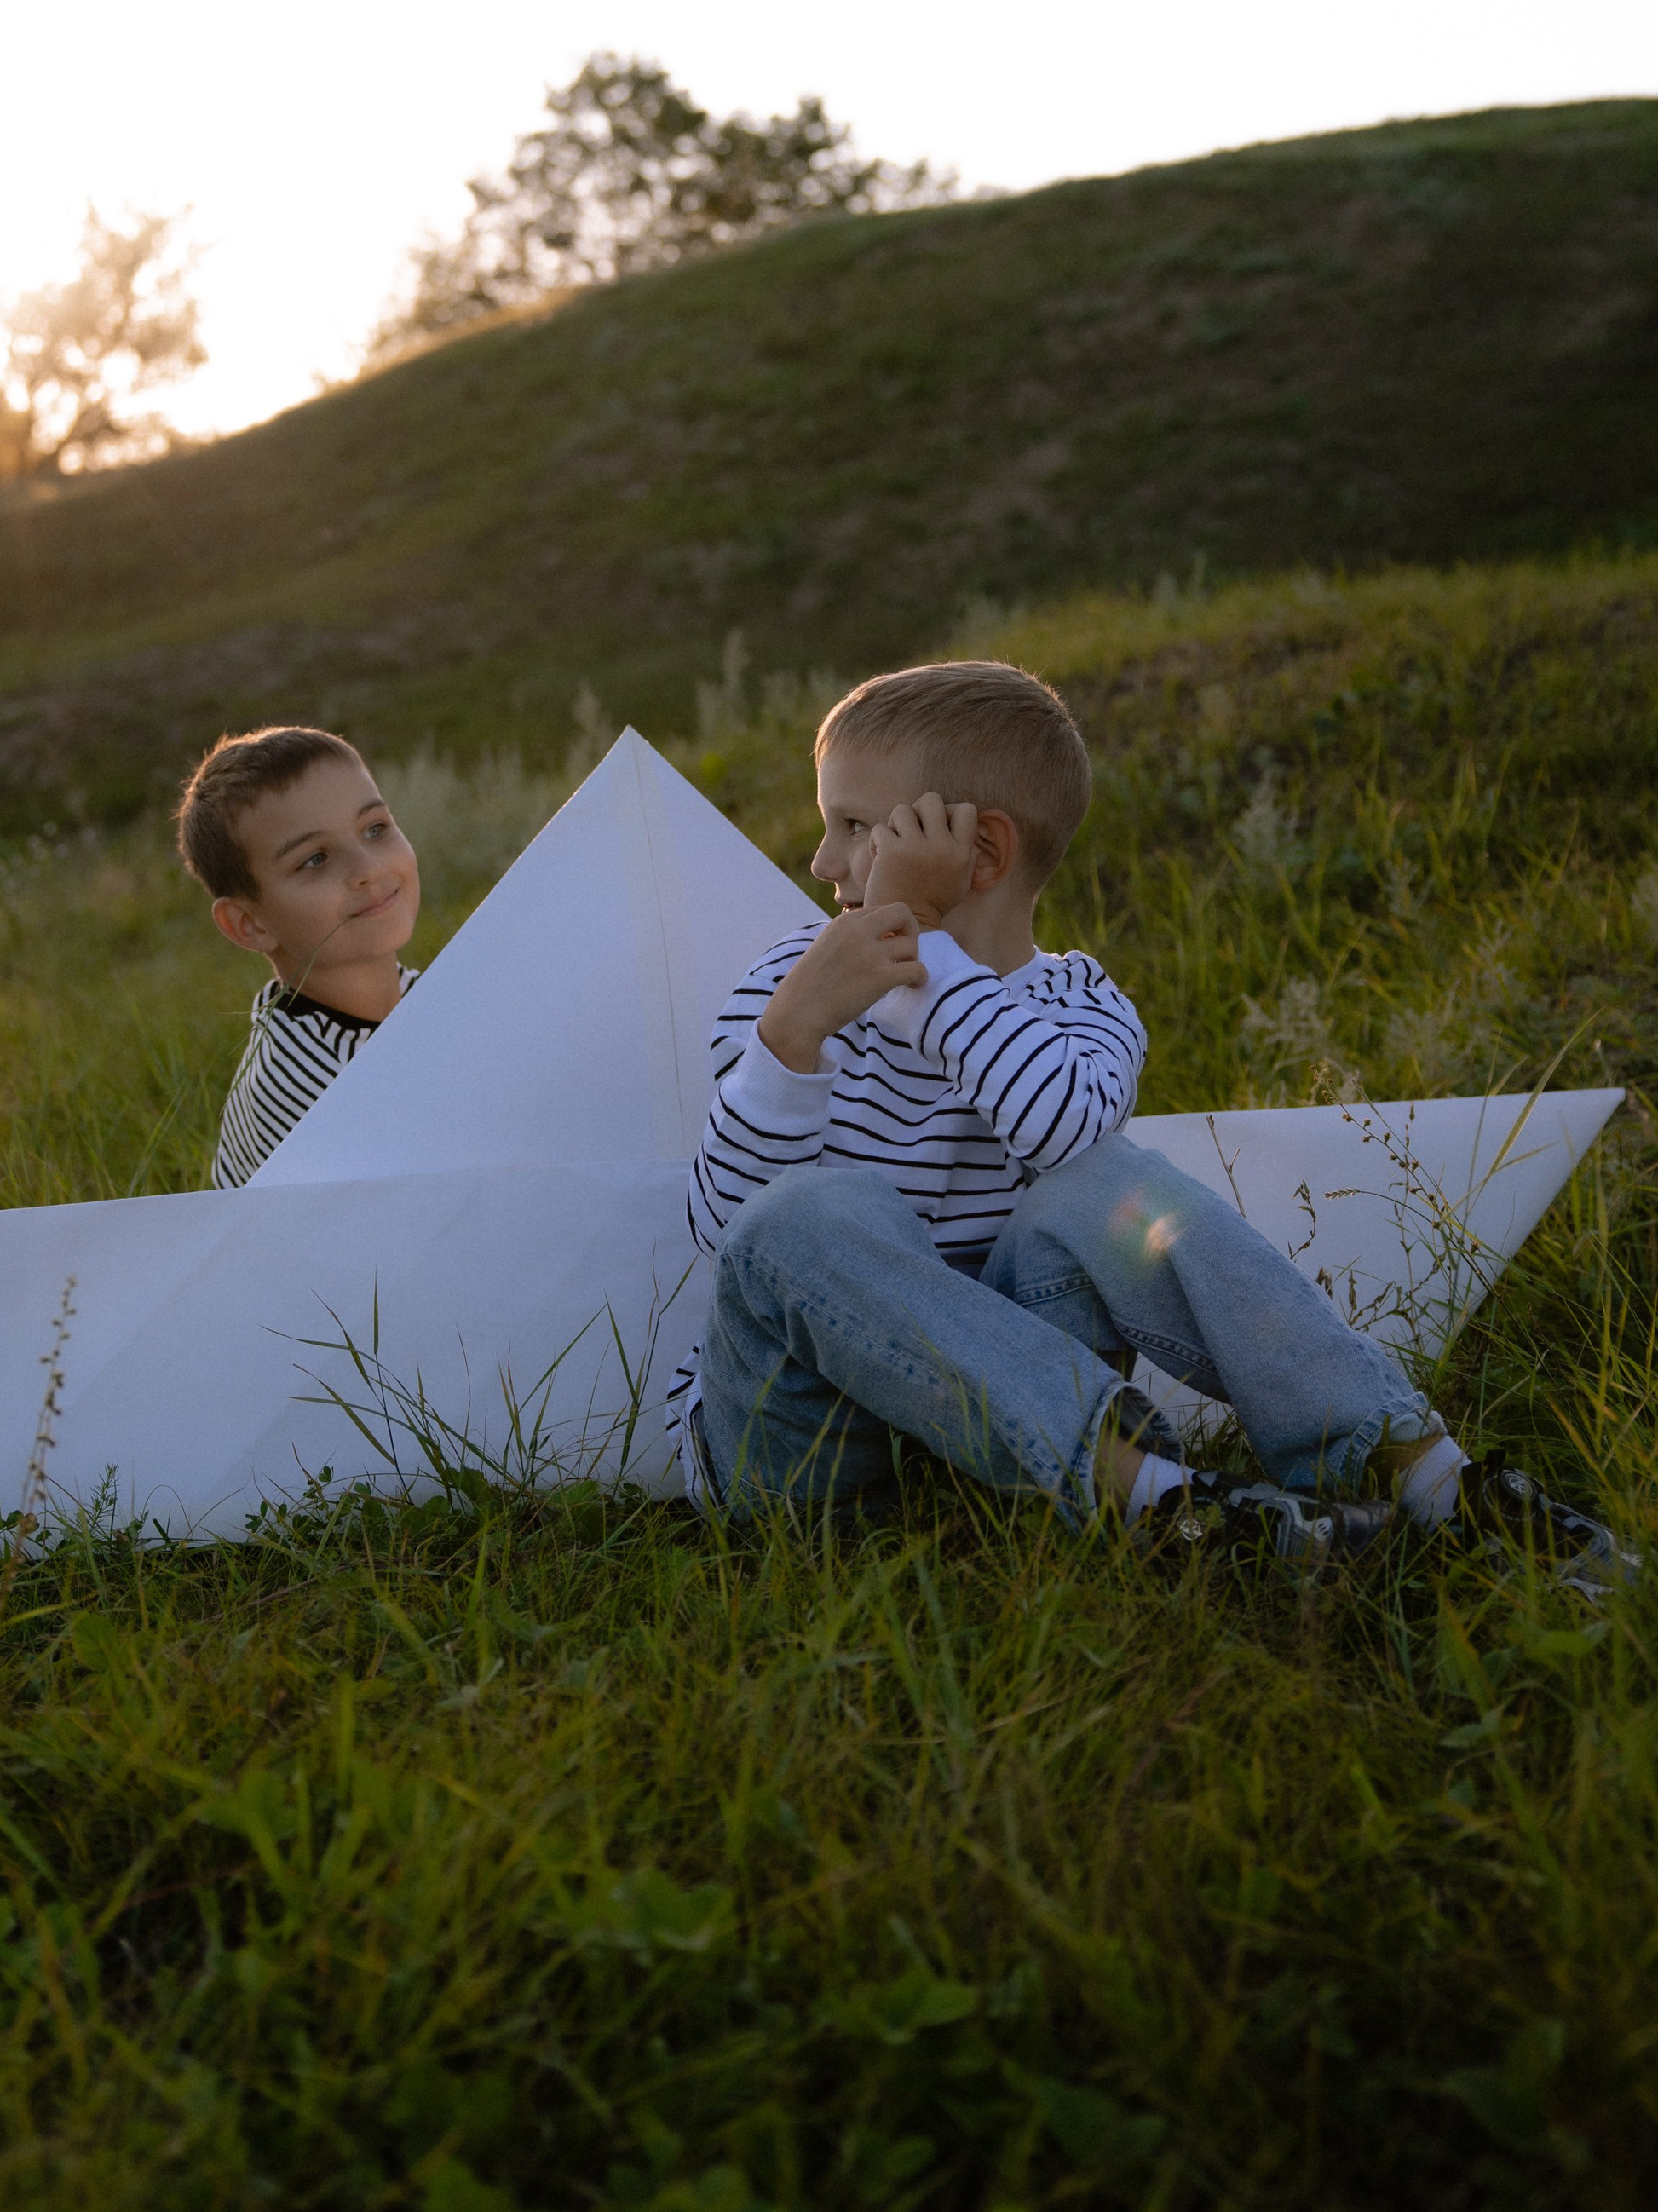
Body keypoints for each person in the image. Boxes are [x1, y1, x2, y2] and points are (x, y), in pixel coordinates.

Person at [668, 658, 1633, 1589]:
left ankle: (1424, 1479)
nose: (821, 860)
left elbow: (1057, 1132)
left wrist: (926, 963)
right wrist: (793, 1033)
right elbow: (740, 1241)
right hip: (800, 1461)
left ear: (981, 852)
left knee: (1102, 1181)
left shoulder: (1084, 1011)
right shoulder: (795, 983)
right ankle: (1162, 1504)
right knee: (811, 1211)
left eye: (852, 825)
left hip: (1007, 1455)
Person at [176, 725, 422, 1187]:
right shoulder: (308, 1089)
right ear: (251, 924)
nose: (369, 870)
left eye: (375, 829)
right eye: (315, 859)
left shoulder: (422, 993)